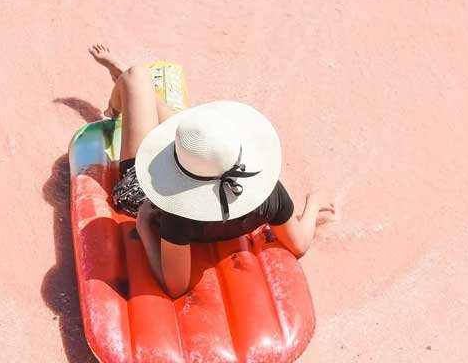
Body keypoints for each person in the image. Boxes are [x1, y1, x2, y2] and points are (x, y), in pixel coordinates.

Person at [89, 44, 335, 298]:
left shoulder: (178, 209)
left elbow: (175, 287)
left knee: (135, 75)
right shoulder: (268, 192)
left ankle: (115, 106)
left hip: (147, 191)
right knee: (194, 135)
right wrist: (313, 202)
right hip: (194, 171)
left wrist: (143, 226)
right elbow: (299, 243)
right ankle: (133, 93)